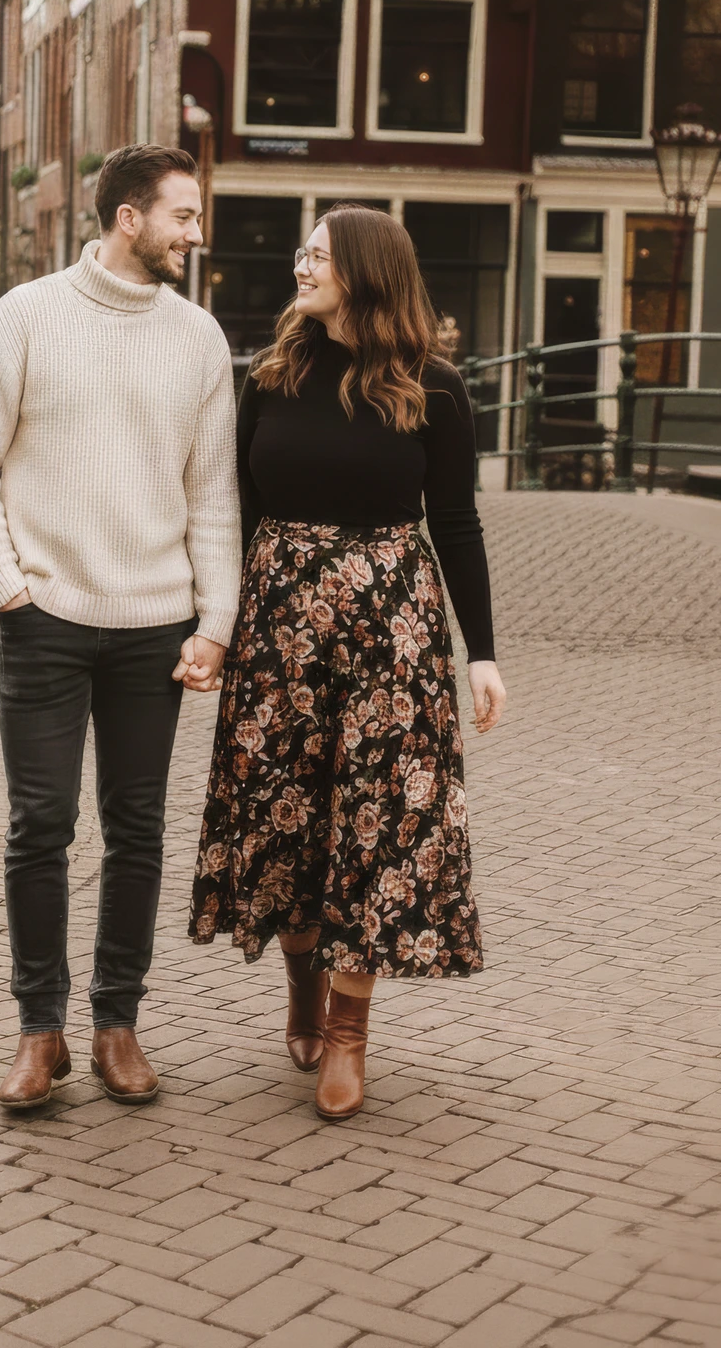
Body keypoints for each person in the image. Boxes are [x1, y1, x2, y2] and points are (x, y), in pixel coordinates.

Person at [189, 204, 506, 1122]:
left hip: (391, 635)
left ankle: (349, 1034)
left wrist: (481, 652)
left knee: (377, 828)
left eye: (319, 255)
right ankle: (301, 991)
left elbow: (457, 522)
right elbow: (237, 514)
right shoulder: (273, 374)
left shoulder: (433, 389)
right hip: (280, 628)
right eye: (302, 251)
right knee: (286, 815)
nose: (301, 264)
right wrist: (214, 625)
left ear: (366, 272)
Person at [0, 144, 239, 1111]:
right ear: (128, 218)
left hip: (155, 626)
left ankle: (117, 1024)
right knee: (40, 827)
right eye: (184, 216)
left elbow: (213, 498)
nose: (197, 235)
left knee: (138, 829)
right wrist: (5, 584)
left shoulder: (198, 339)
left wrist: (216, 623)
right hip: (45, 620)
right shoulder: (24, 317)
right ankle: (40, 1031)